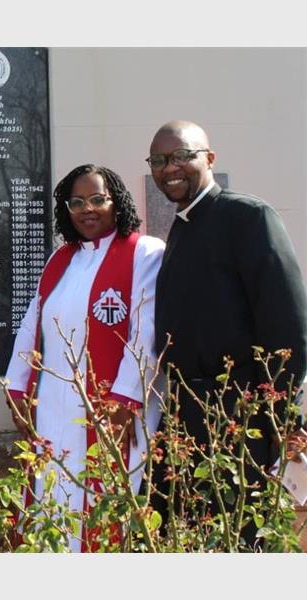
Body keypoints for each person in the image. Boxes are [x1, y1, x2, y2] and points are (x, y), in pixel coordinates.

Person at [149, 120, 307, 533]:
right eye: (160, 160)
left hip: (239, 417)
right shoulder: (182, 228)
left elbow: (288, 324)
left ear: (210, 158)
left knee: (238, 536)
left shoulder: (247, 217)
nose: (170, 168)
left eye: (183, 155)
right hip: (185, 415)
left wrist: (278, 418)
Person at [5, 164, 165, 552]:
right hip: (53, 410)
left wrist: (124, 402)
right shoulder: (62, 259)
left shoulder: (143, 252)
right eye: (76, 202)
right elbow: (33, 323)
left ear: (117, 201)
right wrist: (17, 390)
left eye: (97, 199)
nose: (87, 209)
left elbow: (145, 331)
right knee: (50, 496)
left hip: (109, 409)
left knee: (104, 504)